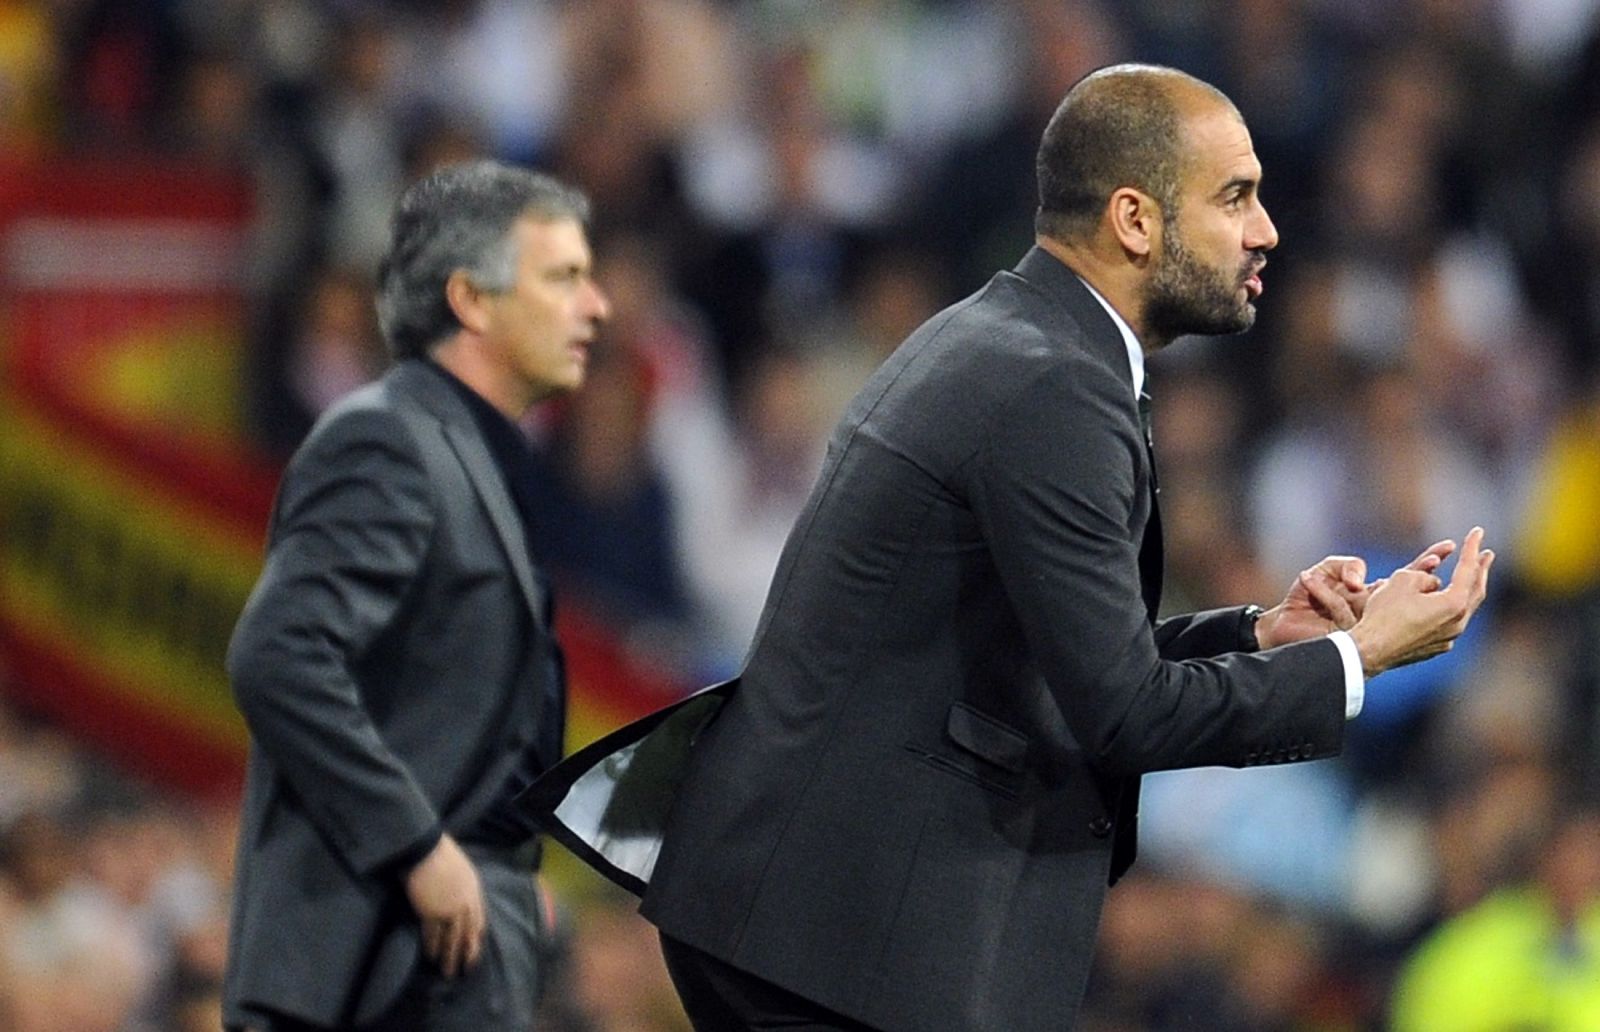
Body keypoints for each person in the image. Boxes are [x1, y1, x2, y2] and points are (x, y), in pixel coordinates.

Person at [530, 64, 1493, 1032]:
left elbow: (1065, 662)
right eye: (1234, 196)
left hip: (806, 910)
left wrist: (1259, 633)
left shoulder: (1012, 341)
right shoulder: (1054, 387)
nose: (1265, 229)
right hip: (835, 933)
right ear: (1133, 219)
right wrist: (1353, 660)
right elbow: (1124, 716)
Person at [223, 160, 610, 1031]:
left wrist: (510, 879)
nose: (599, 307)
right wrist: (419, 846)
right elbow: (279, 655)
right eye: (565, 278)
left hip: (441, 964)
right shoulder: (388, 441)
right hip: (372, 972)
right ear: (471, 300)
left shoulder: (472, 459)